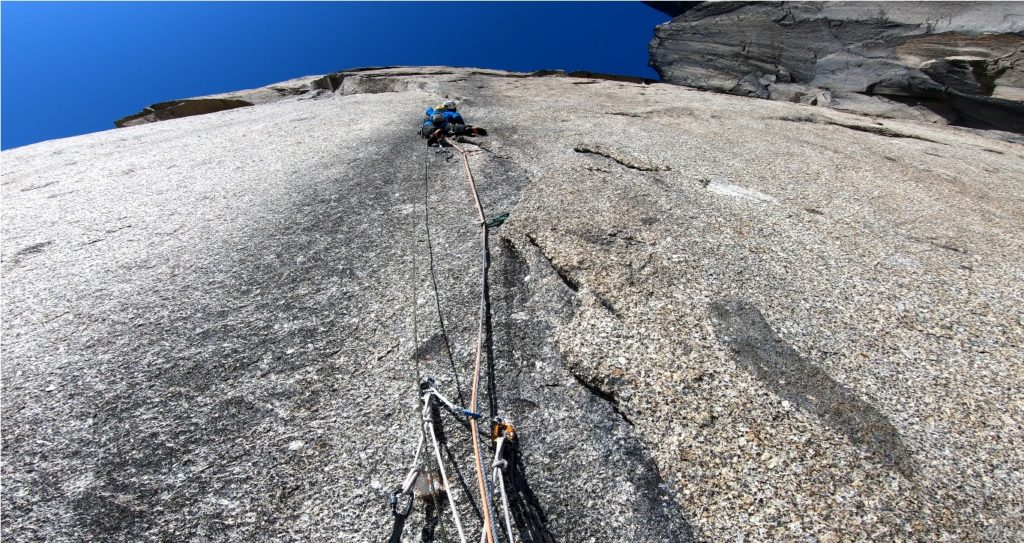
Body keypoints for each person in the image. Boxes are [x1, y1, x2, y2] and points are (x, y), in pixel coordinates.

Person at [421, 100, 487, 146]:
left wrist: (432, 109)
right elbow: (458, 119)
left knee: (427, 125)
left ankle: (433, 132)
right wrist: (463, 127)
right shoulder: (453, 113)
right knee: (451, 127)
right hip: (444, 123)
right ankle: (467, 129)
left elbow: (428, 110)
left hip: (431, 120)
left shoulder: (436, 112)